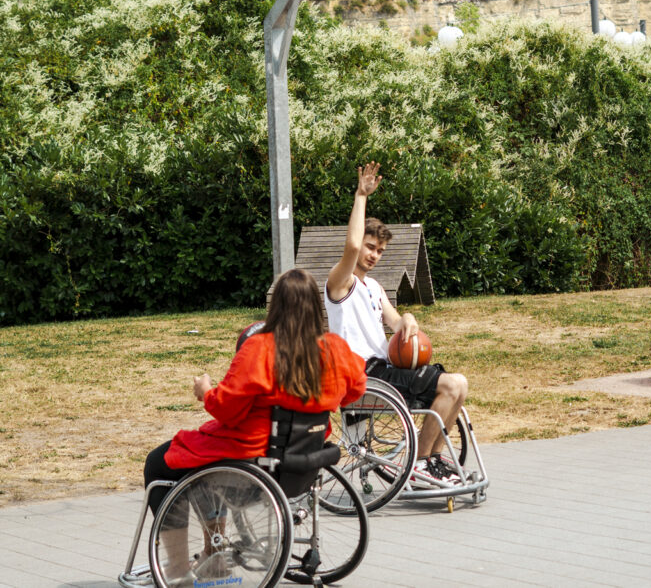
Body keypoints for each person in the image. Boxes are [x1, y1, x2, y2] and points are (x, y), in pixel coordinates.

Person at [143, 268, 366, 581]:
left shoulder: (260, 349)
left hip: (252, 460)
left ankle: (179, 568)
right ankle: (213, 555)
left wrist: (206, 390)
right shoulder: (336, 350)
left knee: (159, 463)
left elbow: (227, 409)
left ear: (275, 308)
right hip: (300, 462)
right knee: (202, 459)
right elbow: (355, 390)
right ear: (316, 308)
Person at [324, 161, 469, 487]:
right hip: (362, 373)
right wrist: (361, 195)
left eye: (380, 251)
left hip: (384, 370)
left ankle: (429, 458)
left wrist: (409, 319)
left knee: (459, 384)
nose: (374, 255)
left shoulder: (373, 288)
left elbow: (395, 318)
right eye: (370, 247)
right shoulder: (339, 284)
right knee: (448, 385)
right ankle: (419, 462)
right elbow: (350, 245)